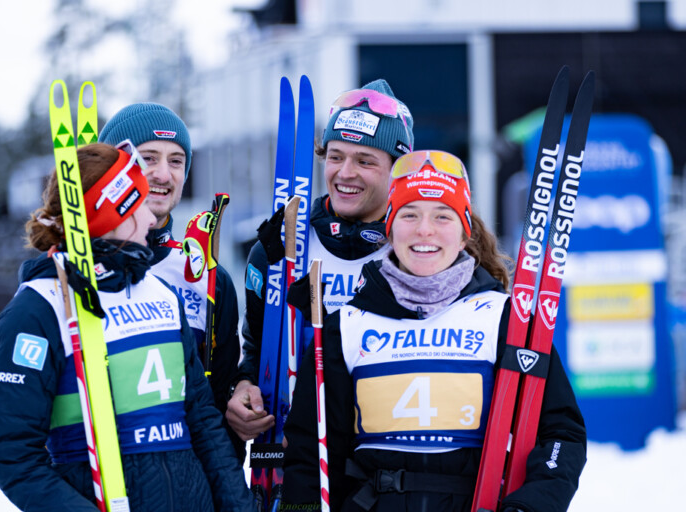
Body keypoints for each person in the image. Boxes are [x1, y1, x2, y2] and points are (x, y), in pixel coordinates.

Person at [281, 150, 586, 512]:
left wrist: (531, 505)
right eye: (409, 215)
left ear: (463, 235)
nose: (424, 230)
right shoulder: (345, 326)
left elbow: (561, 435)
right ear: (390, 231)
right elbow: (308, 451)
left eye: (442, 216)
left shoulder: (505, 321)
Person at [0, 142, 252, 511]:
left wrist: (239, 506)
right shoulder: (36, 312)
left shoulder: (161, 293)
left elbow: (201, 419)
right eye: (139, 205)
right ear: (114, 218)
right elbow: (15, 458)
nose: (153, 220)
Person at [227, 78, 415, 441]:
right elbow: (257, 350)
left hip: (385, 457)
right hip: (299, 461)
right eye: (335, 156)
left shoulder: (417, 254)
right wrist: (243, 388)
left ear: (397, 170)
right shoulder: (279, 247)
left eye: (365, 160)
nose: (345, 173)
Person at [98, 103, 244, 458]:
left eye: (176, 161)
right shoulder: (72, 270)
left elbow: (219, 407)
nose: (163, 174)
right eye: (148, 158)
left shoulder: (207, 277)